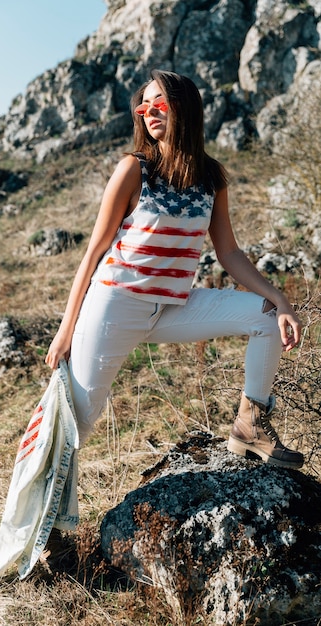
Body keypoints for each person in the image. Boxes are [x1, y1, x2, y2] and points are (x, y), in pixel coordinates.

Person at [45, 69, 304, 470]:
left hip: (172, 307)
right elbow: (94, 252)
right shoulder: (135, 168)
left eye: (159, 102)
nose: (149, 111)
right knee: (74, 423)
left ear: (184, 108)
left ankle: (250, 426)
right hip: (114, 305)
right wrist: (66, 331)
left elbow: (229, 253)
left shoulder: (211, 176)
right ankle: (45, 526)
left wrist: (280, 298)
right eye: (143, 105)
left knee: (266, 317)